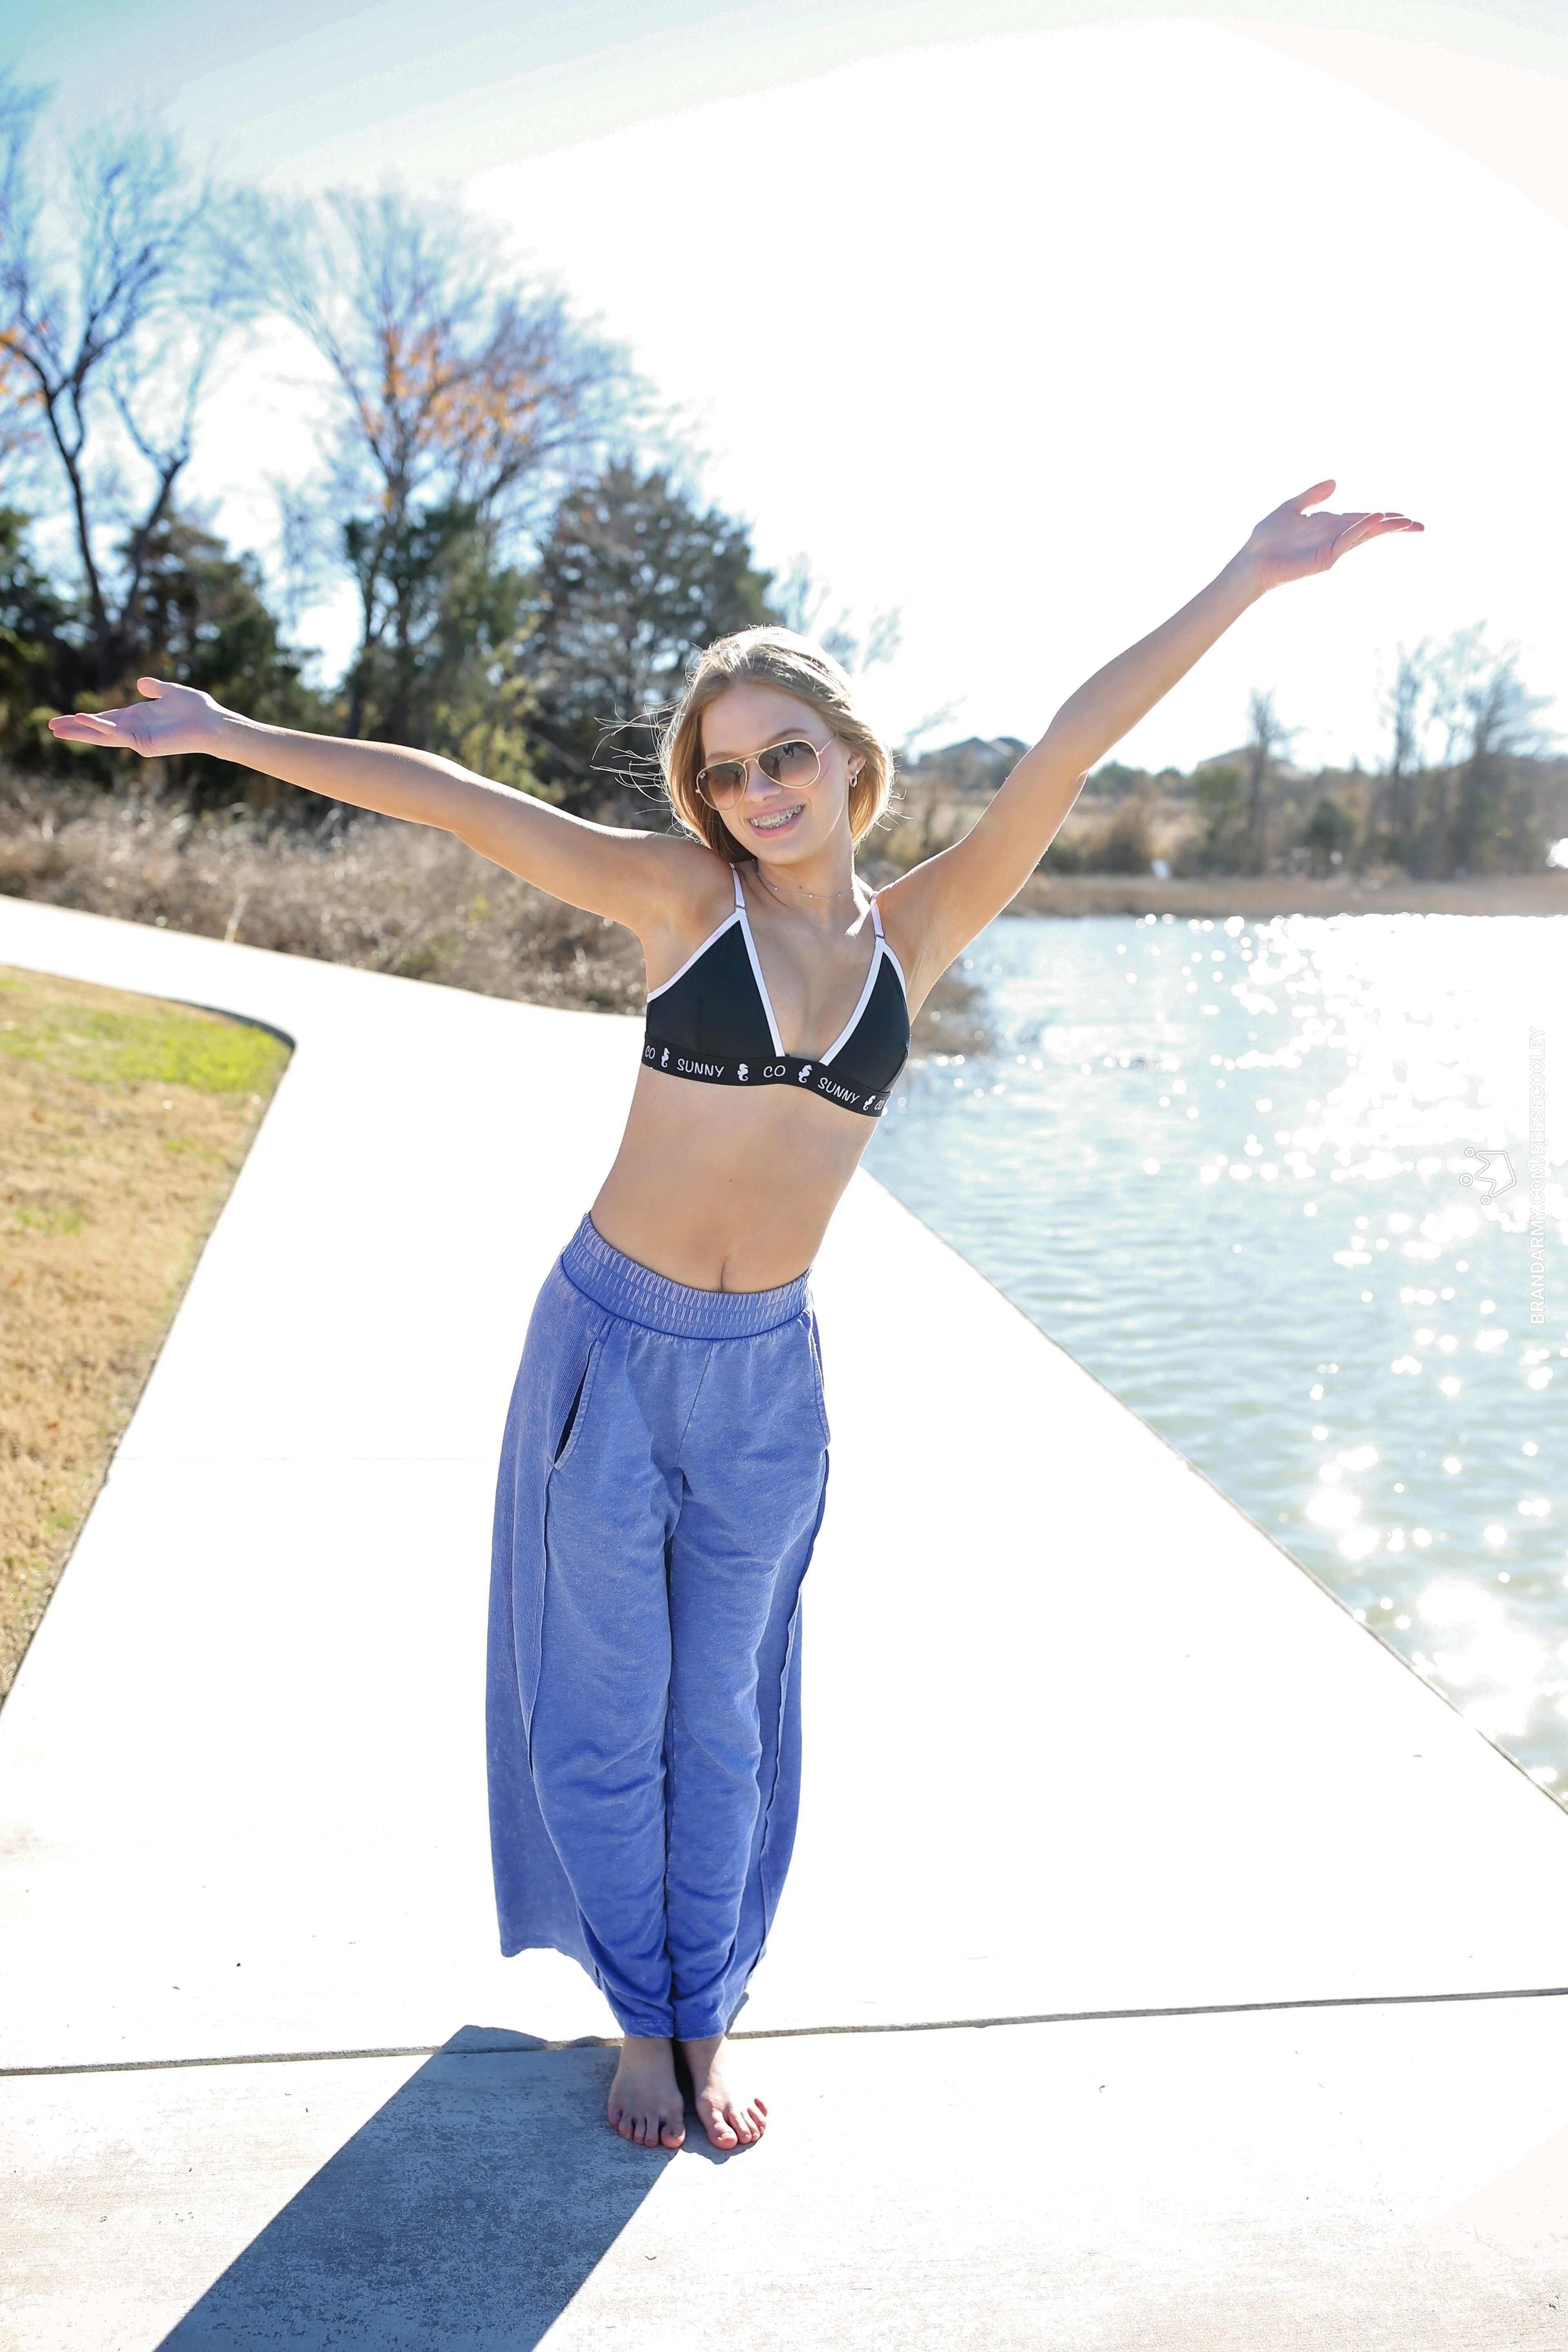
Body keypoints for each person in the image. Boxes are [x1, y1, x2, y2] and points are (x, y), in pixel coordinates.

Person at [50, 479, 1421, 2152]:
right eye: (726, 771)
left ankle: (711, 2007)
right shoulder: (684, 905)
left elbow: (1067, 748)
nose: (760, 791)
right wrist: (221, 731)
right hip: (608, 1352)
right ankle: (646, 2020)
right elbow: (454, 799)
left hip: (769, 1375)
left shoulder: (925, 930)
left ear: (851, 759)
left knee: (729, 1720)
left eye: (788, 755)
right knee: (606, 1711)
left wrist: (1245, 578)